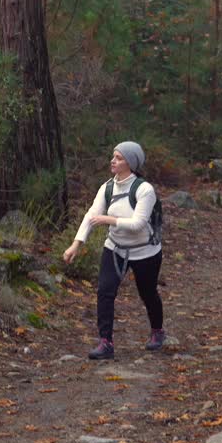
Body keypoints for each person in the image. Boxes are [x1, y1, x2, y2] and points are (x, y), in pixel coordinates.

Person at [62, 141, 164, 360]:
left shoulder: (144, 190)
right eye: (113, 156)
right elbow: (91, 215)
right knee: (105, 292)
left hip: (145, 251)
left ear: (131, 162)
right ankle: (105, 342)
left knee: (147, 293)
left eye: (118, 158)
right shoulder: (107, 187)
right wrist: (76, 245)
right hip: (115, 248)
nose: (113, 161)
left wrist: (109, 219)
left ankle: (157, 331)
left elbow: (138, 223)